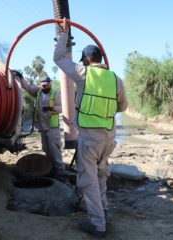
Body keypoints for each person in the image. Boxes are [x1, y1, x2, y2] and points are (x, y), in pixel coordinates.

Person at [54, 18, 128, 237]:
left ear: (86, 59)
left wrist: (64, 34)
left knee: (88, 181)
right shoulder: (116, 79)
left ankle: (98, 224)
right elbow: (123, 107)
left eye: (83, 60)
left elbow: (58, 57)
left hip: (90, 140)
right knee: (101, 175)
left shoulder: (83, 73)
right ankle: (103, 210)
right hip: (109, 139)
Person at [12, 70, 65, 175]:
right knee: (46, 147)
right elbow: (27, 87)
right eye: (42, 86)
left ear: (50, 84)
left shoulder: (56, 94)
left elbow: (62, 107)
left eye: (46, 86)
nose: (44, 88)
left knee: (54, 148)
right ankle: (51, 166)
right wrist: (21, 78)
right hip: (42, 126)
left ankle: (60, 169)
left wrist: (51, 108)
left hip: (52, 126)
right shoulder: (38, 92)